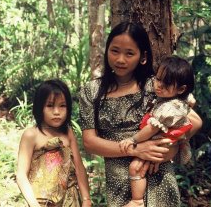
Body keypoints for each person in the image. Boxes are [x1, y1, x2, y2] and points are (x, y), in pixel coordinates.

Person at [79, 22, 202, 206]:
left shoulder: (156, 85)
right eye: (114, 51)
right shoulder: (92, 90)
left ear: (142, 57)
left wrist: (167, 148)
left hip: (159, 178)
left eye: (129, 53)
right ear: (107, 51)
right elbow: (89, 142)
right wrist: (137, 150)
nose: (121, 59)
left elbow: (194, 121)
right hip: (119, 182)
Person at [119, 55, 195, 207]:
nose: (159, 85)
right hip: (165, 142)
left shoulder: (169, 108)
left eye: (166, 83)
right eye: (158, 79)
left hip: (160, 141)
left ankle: (137, 201)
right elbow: (191, 101)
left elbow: (151, 128)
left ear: (181, 89)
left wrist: (133, 140)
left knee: (135, 168)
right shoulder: (174, 100)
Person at [16, 79, 92, 207]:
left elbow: (79, 167)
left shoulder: (68, 133)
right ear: (40, 107)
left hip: (70, 200)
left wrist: (86, 199)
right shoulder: (31, 135)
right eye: (50, 105)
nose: (57, 112)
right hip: (41, 201)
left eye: (62, 106)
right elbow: (21, 175)